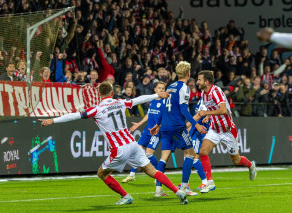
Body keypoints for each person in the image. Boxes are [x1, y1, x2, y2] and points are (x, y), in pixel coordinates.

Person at [40, 82, 189, 205]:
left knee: (101, 173)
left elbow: (75, 116)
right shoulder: (120, 102)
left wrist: (53, 120)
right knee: (152, 172)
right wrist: (157, 95)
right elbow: (139, 99)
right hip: (132, 144)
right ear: (112, 93)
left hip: (119, 148)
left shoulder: (96, 109)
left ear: (99, 94)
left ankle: (125, 196)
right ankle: (178, 191)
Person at [149, 61, 209, 196]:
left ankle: (158, 190)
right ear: (188, 73)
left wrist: (157, 124)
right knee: (191, 154)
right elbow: (183, 109)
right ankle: (184, 187)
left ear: (176, 73)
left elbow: (164, 107)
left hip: (165, 126)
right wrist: (196, 124)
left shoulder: (171, 86)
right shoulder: (184, 87)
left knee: (164, 158)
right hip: (177, 126)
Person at [196, 70, 257, 191]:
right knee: (202, 151)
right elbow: (211, 107)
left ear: (206, 82)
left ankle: (251, 165)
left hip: (228, 130)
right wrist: (208, 116)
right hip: (214, 129)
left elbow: (223, 110)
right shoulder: (204, 93)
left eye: (199, 80)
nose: (197, 82)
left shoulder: (216, 91)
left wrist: (206, 113)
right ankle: (210, 182)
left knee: (236, 160)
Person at [121, 82, 165, 189]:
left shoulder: (165, 102)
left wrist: (158, 127)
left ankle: (158, 172)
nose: (161, 90)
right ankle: (132, 175)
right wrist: (138, 124)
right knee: (136, 150)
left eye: (163, 88)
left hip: (156, 132)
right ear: (155, 89)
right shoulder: (153, 101)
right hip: (147, 131)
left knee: (148, 154)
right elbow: (149, 114)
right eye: (159, 88)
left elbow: (165, 117)